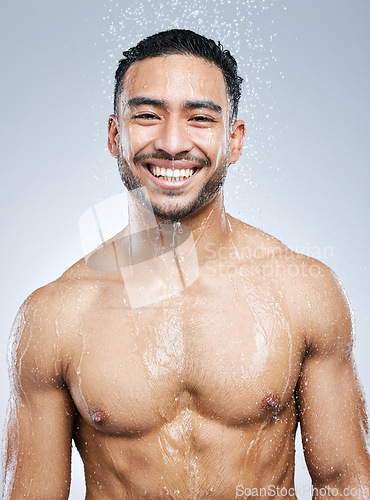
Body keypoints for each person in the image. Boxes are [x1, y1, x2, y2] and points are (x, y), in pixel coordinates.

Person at [2, 29, 370, 499]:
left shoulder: (303, 292)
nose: (173, 143)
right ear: (115, 135)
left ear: (233, 141)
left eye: (199, 118)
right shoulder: (55, 315)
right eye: (148, 116)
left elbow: (344, 484)